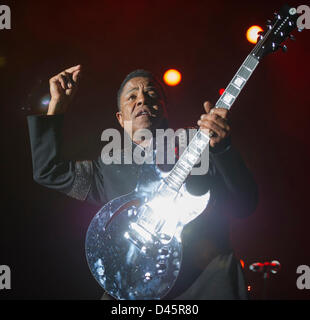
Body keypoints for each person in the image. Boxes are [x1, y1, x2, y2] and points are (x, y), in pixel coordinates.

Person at [27, 65, 258, 300]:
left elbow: (244, 205)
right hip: (133, 290)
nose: (141, 100)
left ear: (165, 109)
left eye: (151, 94)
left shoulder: (198, 144)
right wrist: (57, 106)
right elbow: (48, 171)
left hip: (205, 285)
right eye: (132, 97)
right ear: (120, 118)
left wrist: (224, 149)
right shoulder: (107, 168)